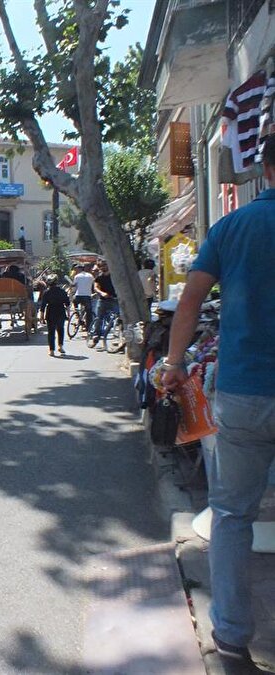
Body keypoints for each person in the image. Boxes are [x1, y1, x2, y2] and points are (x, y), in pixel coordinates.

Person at [161, 140, 275, 664]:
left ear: (265, 169)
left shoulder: (232, 228)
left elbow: (191, 298)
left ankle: (231, 636)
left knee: (231, 515)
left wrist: (174, 362)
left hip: (244, 392)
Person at [39, 275, 70, 356]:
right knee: (60, 330)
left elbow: (43, 305)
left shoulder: (46, 292)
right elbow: (67, 304)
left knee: (51, 332)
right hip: (61, 312)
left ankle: (51, 350)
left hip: (50, 312)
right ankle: (61, 346)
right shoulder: (62, 291)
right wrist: (69, 315)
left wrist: (41, 316)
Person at [90, 261, 117, 346]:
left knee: (119, 318)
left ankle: (119, 336)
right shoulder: (99, 277)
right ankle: (96, 335)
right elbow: (96, 287)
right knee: (99, 318)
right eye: (101, 266)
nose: (103, 267)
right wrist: (102, 293)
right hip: (103, 300)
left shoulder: (114, 276)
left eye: (105, 265)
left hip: (115, 300)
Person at [72, 264, 95, 335]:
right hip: (87, 296)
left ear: (79, 269)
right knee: (89, 312)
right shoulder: (90, 276)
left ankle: (78, 316)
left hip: (78, 296)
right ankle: (88, 329)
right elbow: (93, 285)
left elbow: (74, 286)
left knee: (75, 304)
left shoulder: (77, 276)